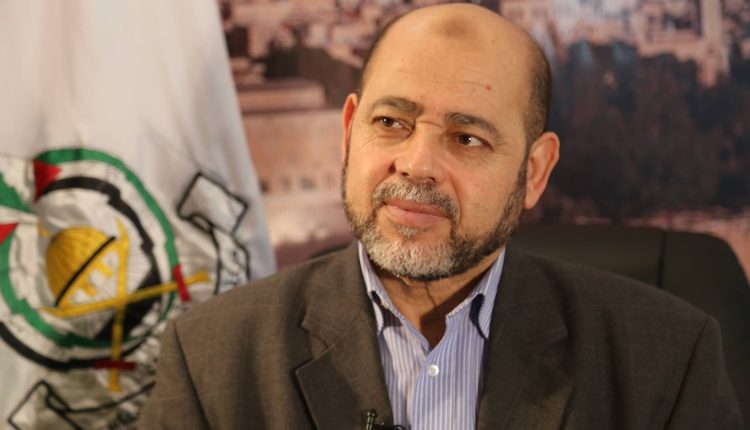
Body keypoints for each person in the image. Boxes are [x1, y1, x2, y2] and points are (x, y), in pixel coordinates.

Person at [139, 4, 742, 429]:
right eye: (390, 122)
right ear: (348, 133)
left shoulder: (666, 357)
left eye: (467, 138)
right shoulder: (214, 358)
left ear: (534, 171)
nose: (416, 164)